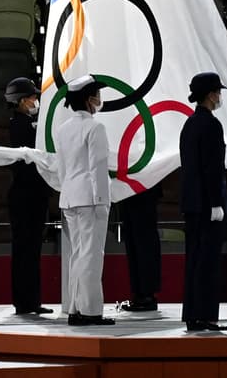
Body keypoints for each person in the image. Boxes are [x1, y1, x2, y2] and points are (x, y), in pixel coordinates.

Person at [54, 75, 115, 326]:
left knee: (78, 255)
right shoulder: (95, 128)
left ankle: (75, 308)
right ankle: (90, 311)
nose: (100, 99)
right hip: (90, 198)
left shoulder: (62, 129)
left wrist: (67, 191)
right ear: (89, 99)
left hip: (70, 196)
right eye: (97, 95)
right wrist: (102, 200)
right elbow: (97, 167)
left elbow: (61, 168)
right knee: (91, 255)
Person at [179, 72, 227, 333]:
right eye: (218, 92)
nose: (219, 97)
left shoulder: (189, 124)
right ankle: (206, 315)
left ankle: (193, 314)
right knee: (208, 262)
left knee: (194, 260)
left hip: (192, 203)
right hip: (207, 205)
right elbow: (211, 168)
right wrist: (215, 202)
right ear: (211, 95)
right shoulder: (211, 124)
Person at [5, 77, 53, 316]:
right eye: (33, 97)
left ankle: (31, 300)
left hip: (34, 194)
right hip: (26, 195)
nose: (36, 101)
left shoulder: (30, 123)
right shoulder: (19, 125)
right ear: (22, 101)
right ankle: (24, 301)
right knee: (25, 249)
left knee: (32, 250)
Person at [116, 182, 162, 313]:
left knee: (144, 243)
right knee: (133, 243)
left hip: (144, 188)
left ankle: (147, 294)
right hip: (127, 191)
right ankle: (139, 293)